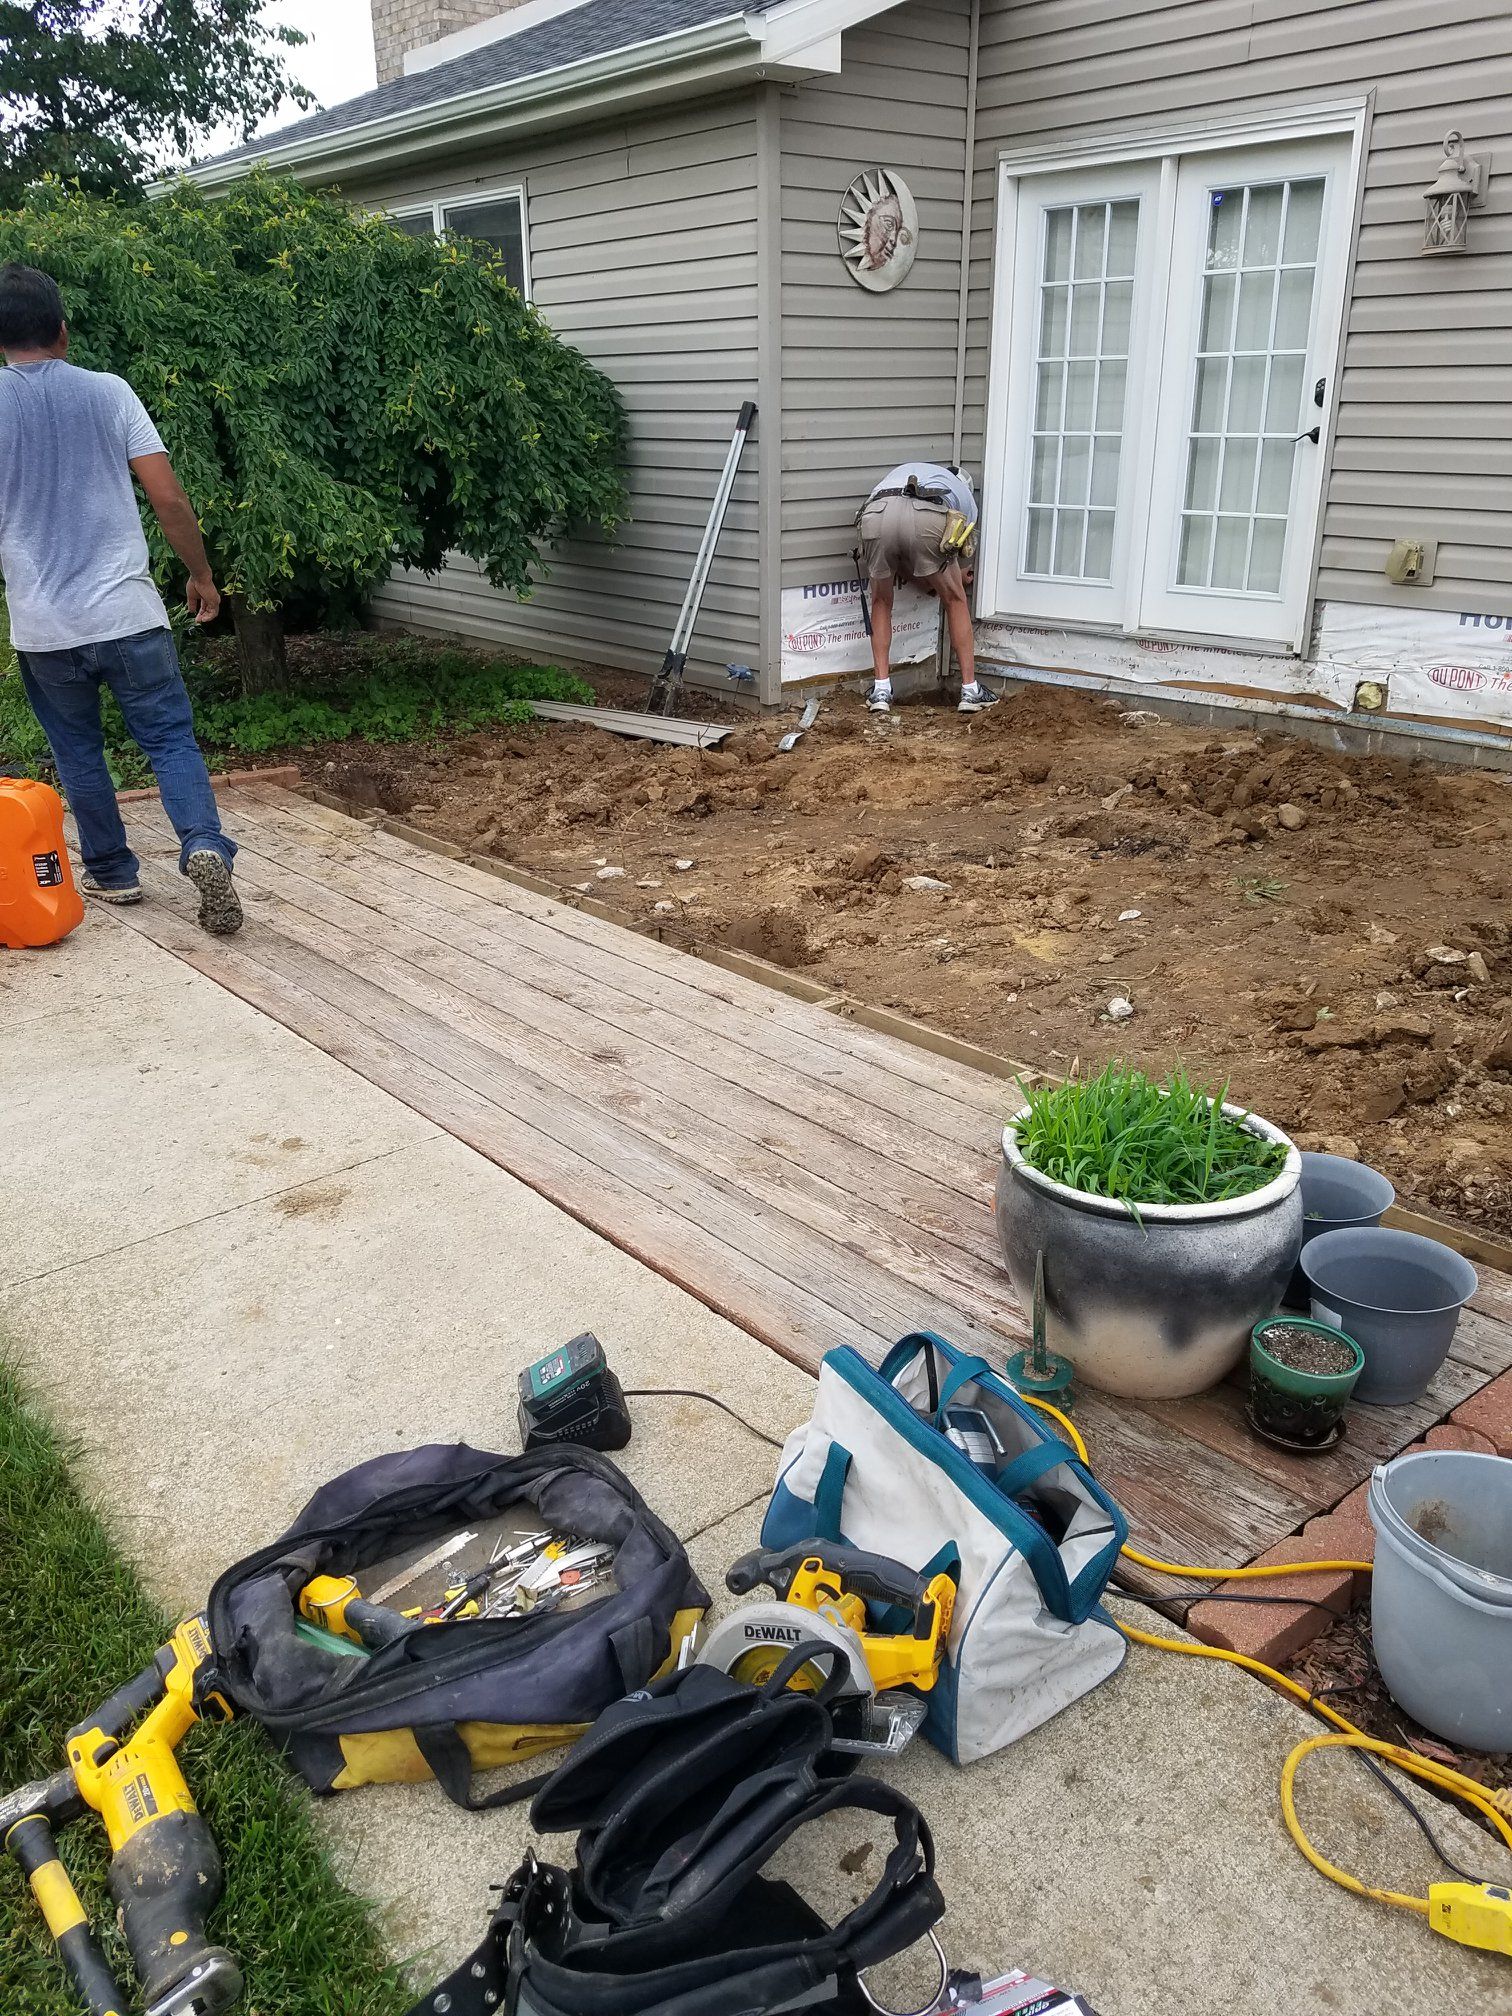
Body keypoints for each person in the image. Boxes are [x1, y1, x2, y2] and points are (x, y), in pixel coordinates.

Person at [0, 263, 241, 934]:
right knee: (169, 739)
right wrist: (201, 574)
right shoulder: (110, 392)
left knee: (78, 751)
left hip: (46, 627)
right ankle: (203, 844)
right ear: (62, 331)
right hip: (129, 615)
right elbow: (168, 497)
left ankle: (112, 872)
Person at [855, 460, 997, 716]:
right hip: (928, 513)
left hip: (876, 513)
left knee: (881, 601)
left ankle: (881, 690)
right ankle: (970, 690)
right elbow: (961, 570)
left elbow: (904, 548)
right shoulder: (965, 499)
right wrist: (953, 580)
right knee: (955, 599)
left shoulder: (911, 471)